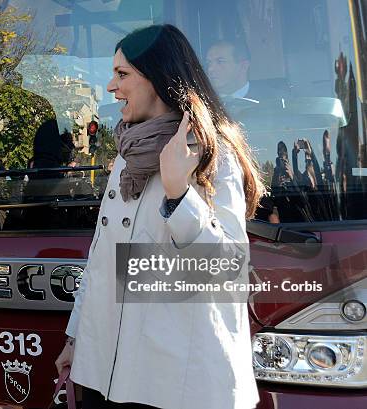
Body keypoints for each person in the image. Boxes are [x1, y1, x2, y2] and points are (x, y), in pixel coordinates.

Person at [55, 25, 264, 409]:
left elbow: (227, 272)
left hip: (176, 384)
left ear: (159, 77)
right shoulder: (127, 157)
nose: (110, 87)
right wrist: (76, 340)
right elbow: (101, 259)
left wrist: (178, 193)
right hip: (106, 372)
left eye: (122, 74)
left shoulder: (212, 155)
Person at [206, 40, 287, 102]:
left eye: (220, 61)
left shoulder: (276, 99)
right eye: (209, 63)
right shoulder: (202, 102)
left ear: (243, 66)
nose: (210, 69)